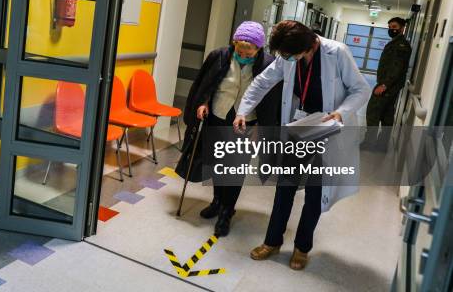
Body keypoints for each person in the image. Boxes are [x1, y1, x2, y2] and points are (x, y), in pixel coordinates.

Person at [233, 20, 370, 270]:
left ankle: (302, 248)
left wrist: (341, 112)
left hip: (327, 129)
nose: (286, 60)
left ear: (309, 46)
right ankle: (272, 241)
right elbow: (263, 82)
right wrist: (243, 110)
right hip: (299, 127)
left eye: (290, 56)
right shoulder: (288, 54)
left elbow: (361, 89)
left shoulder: (336, 52)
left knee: (315, 193)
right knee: (284, 187)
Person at [176, 21, 282, 237]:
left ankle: (226, 211)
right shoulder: (220, 56)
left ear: (259, 48)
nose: (243, 53)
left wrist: (262, 128)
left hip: (247, 122)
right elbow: (205, 84)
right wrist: (203, 103)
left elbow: (272, 100)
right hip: (218, 116)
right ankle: (216, 201)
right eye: (239, 48)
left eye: (248, 49)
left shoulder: (269, 64)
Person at [360, 17, 412, 152]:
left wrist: (384, 85)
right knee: (387, 115)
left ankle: (369, 143)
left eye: (394, 27)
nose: (391, 29)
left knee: (373, 112)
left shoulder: (401, 45)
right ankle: (382, 145)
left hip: (387, 86)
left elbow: (396, 67)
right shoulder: (396, 43)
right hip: (390, 86)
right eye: (389, 27)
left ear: (402, 28)